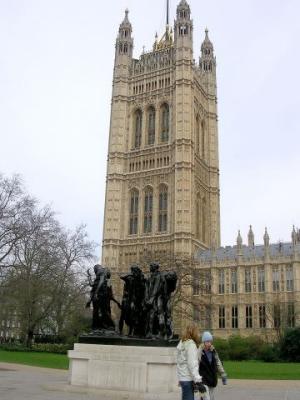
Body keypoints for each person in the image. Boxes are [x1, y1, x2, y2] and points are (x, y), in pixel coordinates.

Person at [177, 324, 208, 400]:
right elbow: (192, 364)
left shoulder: (182, 343)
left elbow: (181, 363)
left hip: (183, 378)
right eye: (197, 332)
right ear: (194, 332)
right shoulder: (191, 345)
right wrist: (198, 381)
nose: (198, 334)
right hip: (188, 379)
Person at [198, 331, 227, 400]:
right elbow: (195, 364)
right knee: (206, 397)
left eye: (210, 341)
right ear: (203, 342)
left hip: (212, 377)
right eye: (207, 342)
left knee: (211, 397)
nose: (209, 343)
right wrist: (196, 379)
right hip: (203, 378)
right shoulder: (199, 351)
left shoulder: (213, 351)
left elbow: (218, 362)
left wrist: (223, 373)